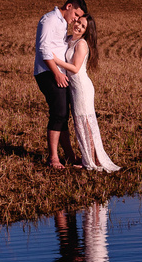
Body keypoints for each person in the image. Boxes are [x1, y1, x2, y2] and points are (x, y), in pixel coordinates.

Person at [52, 15, 121, 172]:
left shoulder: (81, 44)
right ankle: (90, 158)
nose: (78, 26)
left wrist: (55, 60)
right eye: (78, 22)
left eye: (82, 26)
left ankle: (90, 161)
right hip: (75, 88)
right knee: (80, 123)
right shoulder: (69, 39)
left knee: (85, 124)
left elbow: (75, 68)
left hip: (82, 88)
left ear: (85, 32)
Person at [34, 0, 88, 169]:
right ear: (69, 6)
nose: (75, 19)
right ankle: (53, 158)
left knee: (64, 114)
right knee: (58, 113)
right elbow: (43, 49)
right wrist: (56, 73)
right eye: (76, 15)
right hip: (47, 72)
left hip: (59, 73)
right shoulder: (49, 19)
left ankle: (70, 156)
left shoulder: (63, 22)